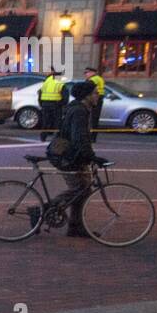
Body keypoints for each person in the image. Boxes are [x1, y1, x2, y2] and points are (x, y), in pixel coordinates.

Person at [47, 79, 102, 238]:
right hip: (68, 156)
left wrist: (89, 157)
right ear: (86, 96)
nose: (98, 96)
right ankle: (41, 209)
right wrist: (92, 157)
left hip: (72, 155)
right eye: (95, 93)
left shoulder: (80, 108)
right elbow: (80, 138)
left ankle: (75, 227)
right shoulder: (79, 111)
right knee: (79, 189)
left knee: (83, 190)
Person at [38, 71, 65, 141]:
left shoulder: (46, 83)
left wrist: (41, 104)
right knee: (57, 121)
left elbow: (40, 94)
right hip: (56, 104)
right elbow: (65, 96)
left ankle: (43, 137)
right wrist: (62, 104)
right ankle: (57, 137)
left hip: (45, 104)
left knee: (46, 121)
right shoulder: (60, 83)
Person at [85, 67, 105, 144]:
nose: (86, 74)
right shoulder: (98, 78)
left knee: (92, 119)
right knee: (94, 119)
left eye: (87, 72)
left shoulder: (94, 79)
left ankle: (91, 137)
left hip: (95, 99)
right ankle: (92, 137)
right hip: (97, 98)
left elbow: (87, 87)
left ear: (92, 72)